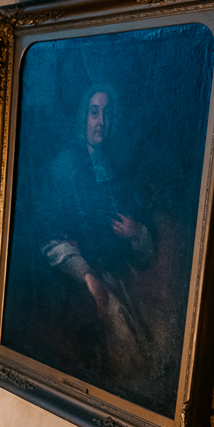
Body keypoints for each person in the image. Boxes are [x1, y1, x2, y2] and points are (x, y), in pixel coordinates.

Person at [37, 84, 159, 386]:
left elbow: (146, 251)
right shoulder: (62, 168)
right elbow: (48, 239)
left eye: (107, 114)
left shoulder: (117, 172)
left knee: (146, 345)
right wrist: (88, 274)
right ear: (84, 117)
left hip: (115, 275)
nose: (101, 121)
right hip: (74, 281)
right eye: (94, 113)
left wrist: (137, 232)